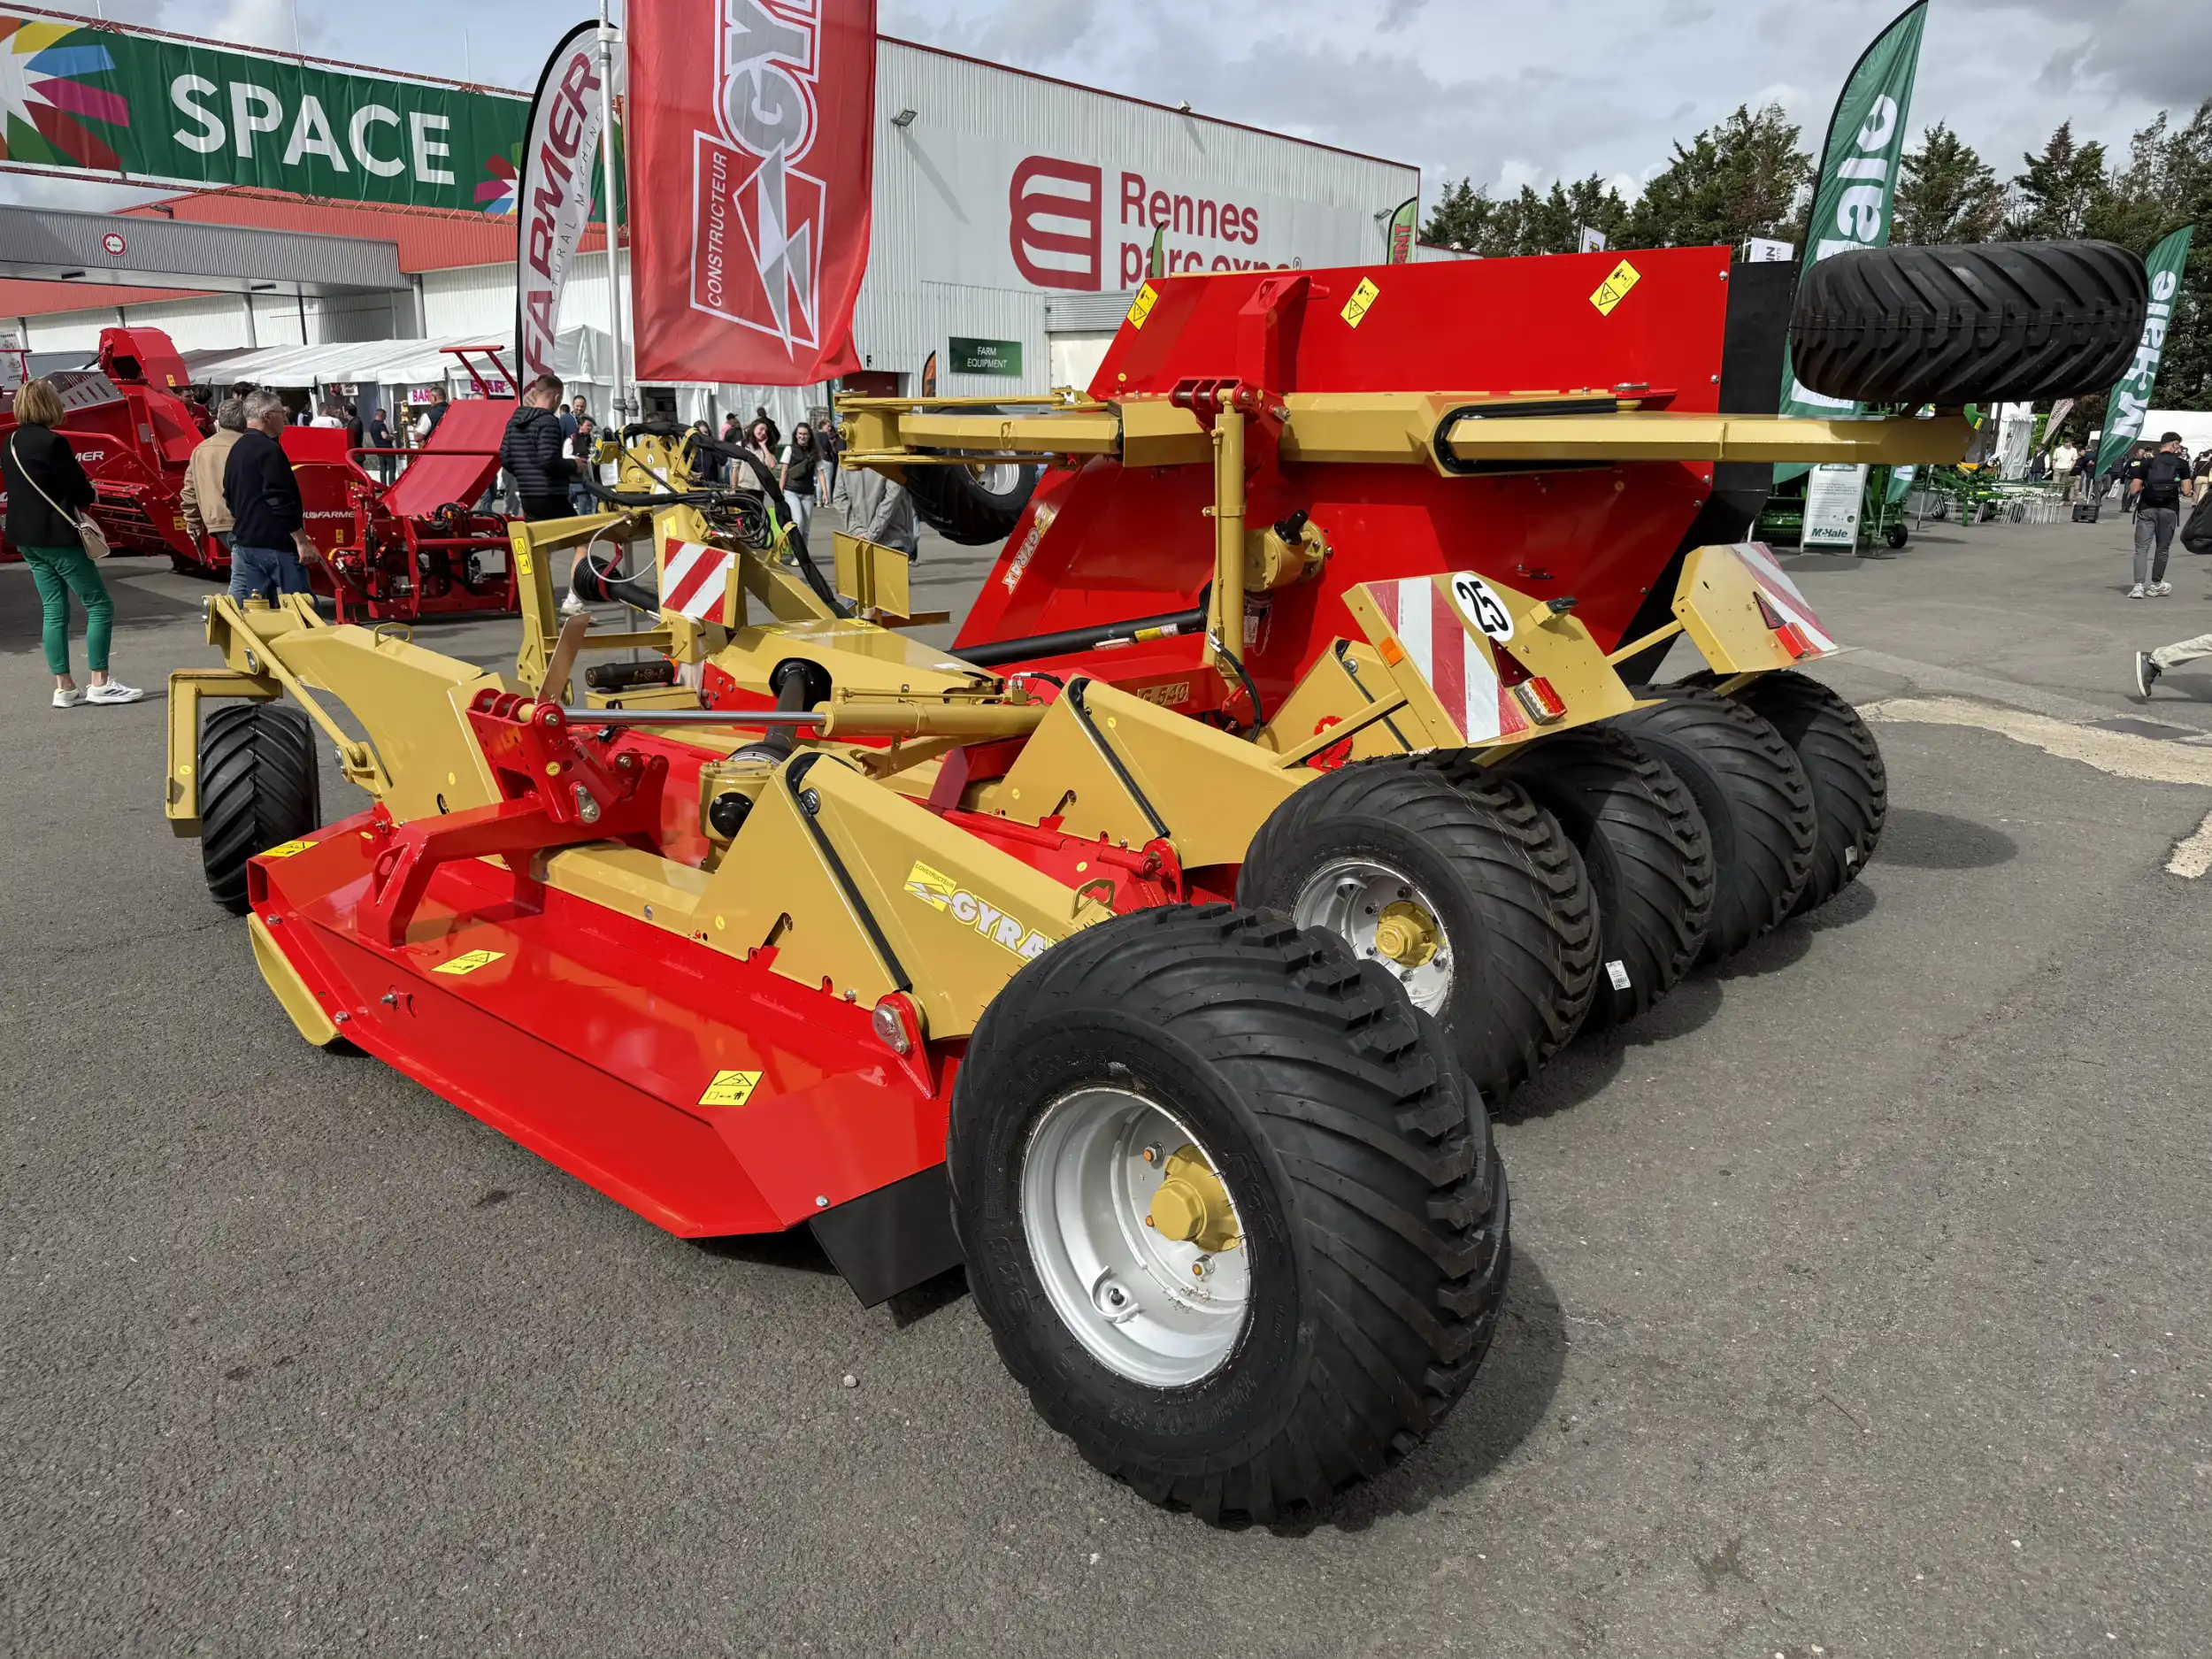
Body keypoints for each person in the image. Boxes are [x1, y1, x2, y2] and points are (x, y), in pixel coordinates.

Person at [1, 376, 142, 707]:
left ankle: (64, 687)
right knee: (99, 604)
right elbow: (80, 492)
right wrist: (89, 490)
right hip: (58, 535)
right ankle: (101, 683)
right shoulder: (53, 443)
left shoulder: (8, 442)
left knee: (53, 609)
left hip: (26, 537)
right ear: (50, 405)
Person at [224, 387, 319, 604]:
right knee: (301, 606)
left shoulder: (237, 449)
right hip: (274, 543)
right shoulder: (269, 451)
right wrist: (301, 541)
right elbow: (279, 499)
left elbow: (229, 495)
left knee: (259, 609)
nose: (286, 417)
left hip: (247, 542)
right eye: (281, 413)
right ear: (267, 417)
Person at [2125, 431, 2197, 598]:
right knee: (2162, 548)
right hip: (2169, 509)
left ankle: (2138, 587)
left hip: (2146, 508)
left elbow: (2134, 489)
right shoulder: (2181, 464)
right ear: (2175, 445)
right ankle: (2156, 584)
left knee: (2141, 548)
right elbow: (2187, 491)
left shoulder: (2146, 463)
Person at [499, 372, 577, 523]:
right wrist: (574, 465)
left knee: (537, 540)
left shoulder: (514, 420)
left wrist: (525, 472)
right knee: (582, 536)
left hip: (526, 493)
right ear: (556, 398)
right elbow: (549, 461)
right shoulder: (548, 421)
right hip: (551, 494)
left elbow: (505, 457)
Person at [180, 396, 248, 557]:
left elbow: (190, 490)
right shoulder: (251, 446)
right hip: (246, 522)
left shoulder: (200, 449)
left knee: (241, 574)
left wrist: (192, 521)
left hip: (216, 522)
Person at [843, 462, 918, 560]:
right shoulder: (891, 455)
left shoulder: (847, 457)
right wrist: (871, 534)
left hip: (859, 538)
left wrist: (856, 530)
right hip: (892, 538)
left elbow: (839, 497)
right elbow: (894, 494)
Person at [780, 421, 822, 545]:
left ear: (809, 436)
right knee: (798, 521)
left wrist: (825, 492)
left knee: (807, 527)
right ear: (796, 435)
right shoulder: (789, 449)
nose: (802, 436)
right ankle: (797, 553)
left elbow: (821, 473)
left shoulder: (814, 452)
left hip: (808, 493)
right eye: (800, 434)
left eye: (805, 434)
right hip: (791, 491)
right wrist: (780, 490)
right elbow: (784, 472)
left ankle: (803, 555)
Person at [366, 406, 395, 483]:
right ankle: (392, 486)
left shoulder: (372, 425)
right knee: (392, 468)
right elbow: (384, 436)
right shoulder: (381, 425)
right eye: (385, 416)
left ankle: (383, 487)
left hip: (379, 449)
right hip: (388, 449)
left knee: (383, 469)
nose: (385, 419)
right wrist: (392, 437)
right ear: (381, 415)